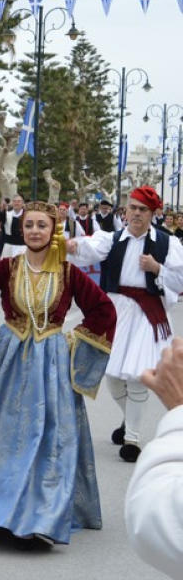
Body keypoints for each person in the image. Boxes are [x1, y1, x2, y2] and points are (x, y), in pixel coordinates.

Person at [0, 204, 116, 547]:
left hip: (51, 361)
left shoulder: (68, 272)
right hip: (8, 356)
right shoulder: (9, 267)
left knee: (46, 435)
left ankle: (40, 515)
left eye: (42, 225)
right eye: (29, 225)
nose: (35, 231)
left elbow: (103, 311)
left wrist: (74, 343)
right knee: (2, 432)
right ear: (22, 231)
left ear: (54, 231)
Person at [66, 185, 183, 462]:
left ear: (153, 213)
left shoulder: (168, 244)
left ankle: (132, 438)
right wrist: (72, 246)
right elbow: (89, 249)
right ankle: (128, 419)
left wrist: (157, 269)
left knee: (138, 375)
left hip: (148, 314)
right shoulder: (113, 239)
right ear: (126, 210)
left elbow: (180, 281)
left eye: (143, 209)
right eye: (133, 208)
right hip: (116, 310)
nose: (137, 214)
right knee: (113, 375)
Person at [125, 335, 183, 576]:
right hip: (128, 312)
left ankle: (131, 434)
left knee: (137, 380)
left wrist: (179, 411)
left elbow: (163, 524)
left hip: (146, 319)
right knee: (122, 378)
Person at [0, 195, 27, 260]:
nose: (16, 203)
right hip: (9, 245)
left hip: (22, 245)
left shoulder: (27, 215)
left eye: (19, 201)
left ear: (22, 203)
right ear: (12, 203)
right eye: (15, 201)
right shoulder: (8, 214)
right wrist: (2, 209)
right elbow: (1, 218)